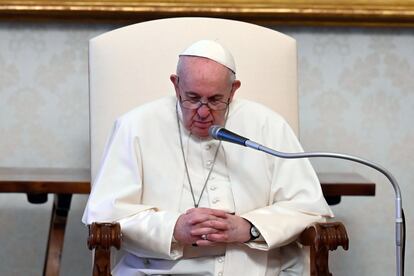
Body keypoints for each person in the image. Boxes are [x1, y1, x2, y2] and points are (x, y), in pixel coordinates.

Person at [83, 40, 333, 275]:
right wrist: (173, 228)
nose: (203, 112)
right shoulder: (135, 126)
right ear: (176, 84)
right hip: (157, 270)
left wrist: (250, 228)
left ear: (233, 90)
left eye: (215, 100)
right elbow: (106, 216)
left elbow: (308, 209)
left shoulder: (268, 126)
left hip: (254, 269)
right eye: (192, 98)